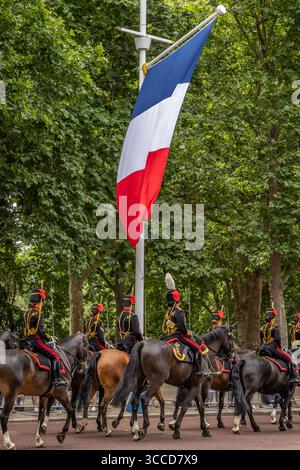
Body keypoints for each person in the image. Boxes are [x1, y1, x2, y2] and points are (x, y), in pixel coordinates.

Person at [162, 273, 208, 375]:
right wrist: (188, 333)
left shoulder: (169, 312)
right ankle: (201, 370)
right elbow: (182, 328)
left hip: (169, 336)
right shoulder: (179, 312)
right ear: (177, 300)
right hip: (179, 336)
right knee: (197, 348)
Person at [23, 288, 65, 387]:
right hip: (36, 341)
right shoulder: (38, 313)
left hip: (26, 340)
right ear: (40, 301)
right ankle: (57, 380)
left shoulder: (26, 313)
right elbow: (41, 332)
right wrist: (50, 338)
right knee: (55, 356)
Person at [259, 307, 300, 384]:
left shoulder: (262, 328)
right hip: (273, 348)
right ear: (273, 317)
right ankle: (293, 377)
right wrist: (279, 348)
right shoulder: (275, 327)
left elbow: (261, 340)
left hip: (263, 348)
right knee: (290, 358)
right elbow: (277, 340)